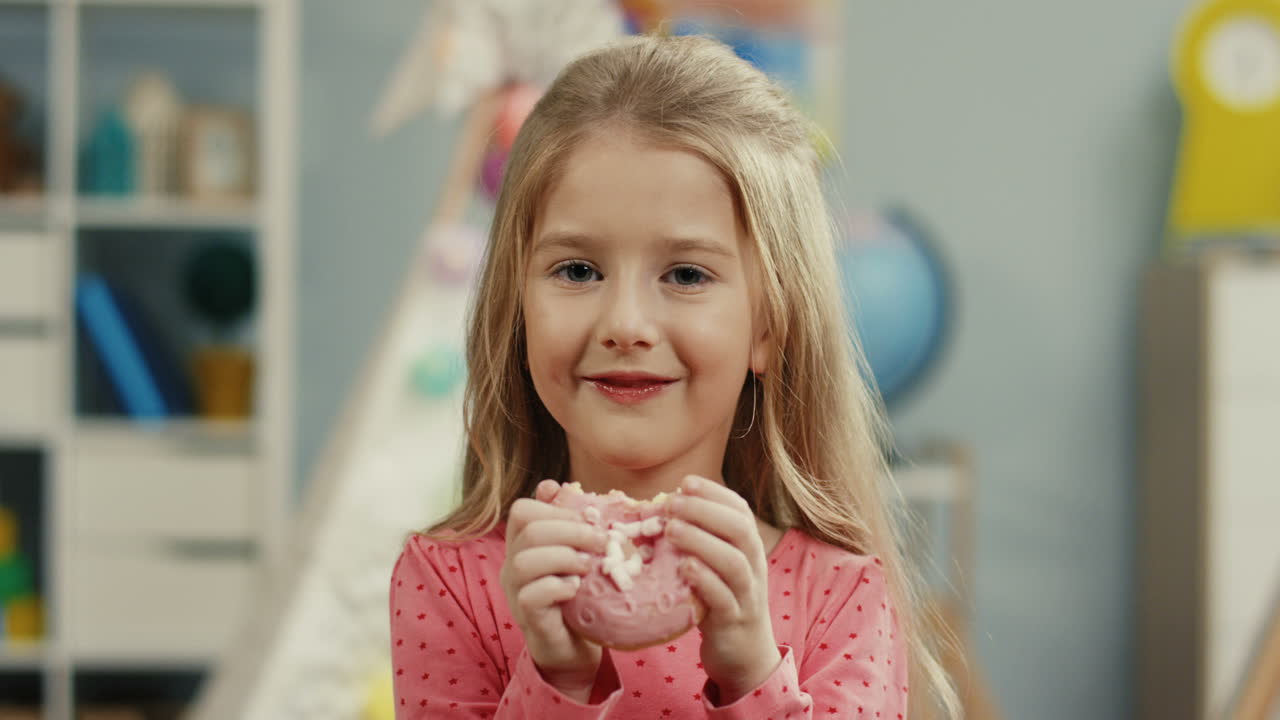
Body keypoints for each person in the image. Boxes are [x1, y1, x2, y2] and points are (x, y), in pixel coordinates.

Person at [389, 33, 957, 719]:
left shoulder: (841, 595)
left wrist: (752, 674)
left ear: (769, 327)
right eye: (577, 270)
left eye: (686, 274)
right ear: (517, 307)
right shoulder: (449, 583)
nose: (625, 322)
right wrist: (558, 683)